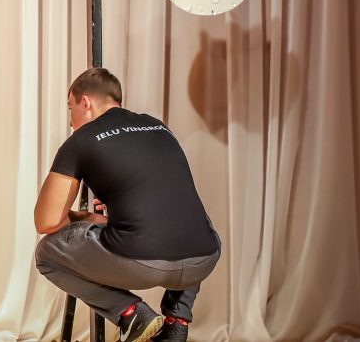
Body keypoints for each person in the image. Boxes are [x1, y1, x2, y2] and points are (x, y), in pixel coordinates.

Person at [33, 69, 221, 342]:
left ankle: (132, 315)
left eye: (70, 109)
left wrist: (82, 217)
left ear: (85, 102)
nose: (71, 122)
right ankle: (176, 322)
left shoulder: (80, 141)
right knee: (194, 221)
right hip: (204, 259)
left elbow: (46, 222)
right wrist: (107, 216)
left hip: (143, 262)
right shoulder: (159, 127)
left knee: (47, 253)